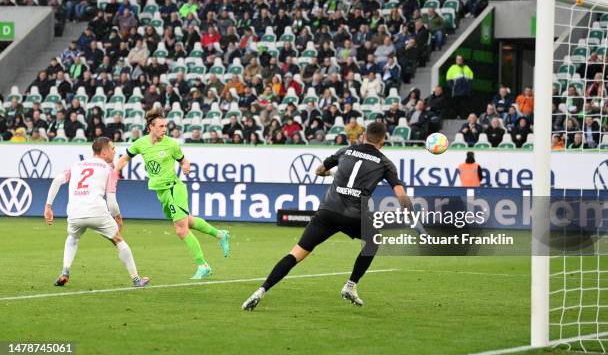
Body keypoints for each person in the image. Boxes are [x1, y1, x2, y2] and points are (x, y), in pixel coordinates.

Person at [242, 122, 413, 310]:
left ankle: (261, 290)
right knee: (374, 240)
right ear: (382, 140)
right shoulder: (385, 162)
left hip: (327, 213)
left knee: (296, 254)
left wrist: (329, 173)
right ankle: (351, 285)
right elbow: (400, 194)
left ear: (363, 135)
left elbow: (318, 170)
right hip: (354, 217)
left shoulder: (346, 151)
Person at [115, 109, 230, 279]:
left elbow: (184, 160)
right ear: (151, 127)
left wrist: (186, 166)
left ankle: (203, 265)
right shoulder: (140, 143)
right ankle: (220, 234)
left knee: (181, 230)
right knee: (188, 221)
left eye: (165, 126)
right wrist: (114, 172)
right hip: (161, 192)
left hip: (174, 188)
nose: (164, 129)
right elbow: (125, 158)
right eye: (161, 126)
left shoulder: (171, 144)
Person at [44, 137, 150, 288]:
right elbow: (111, 202)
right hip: (97, 212)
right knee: (118, 241)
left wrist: (48, 206)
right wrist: (118, 217)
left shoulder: (76, 165)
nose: (115, 151)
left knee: (73, 238)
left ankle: (65, 271)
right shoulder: (109, 169)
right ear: (105, 151)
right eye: (113, 148)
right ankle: (136, 280)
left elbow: (56, 181)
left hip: (75, 213)